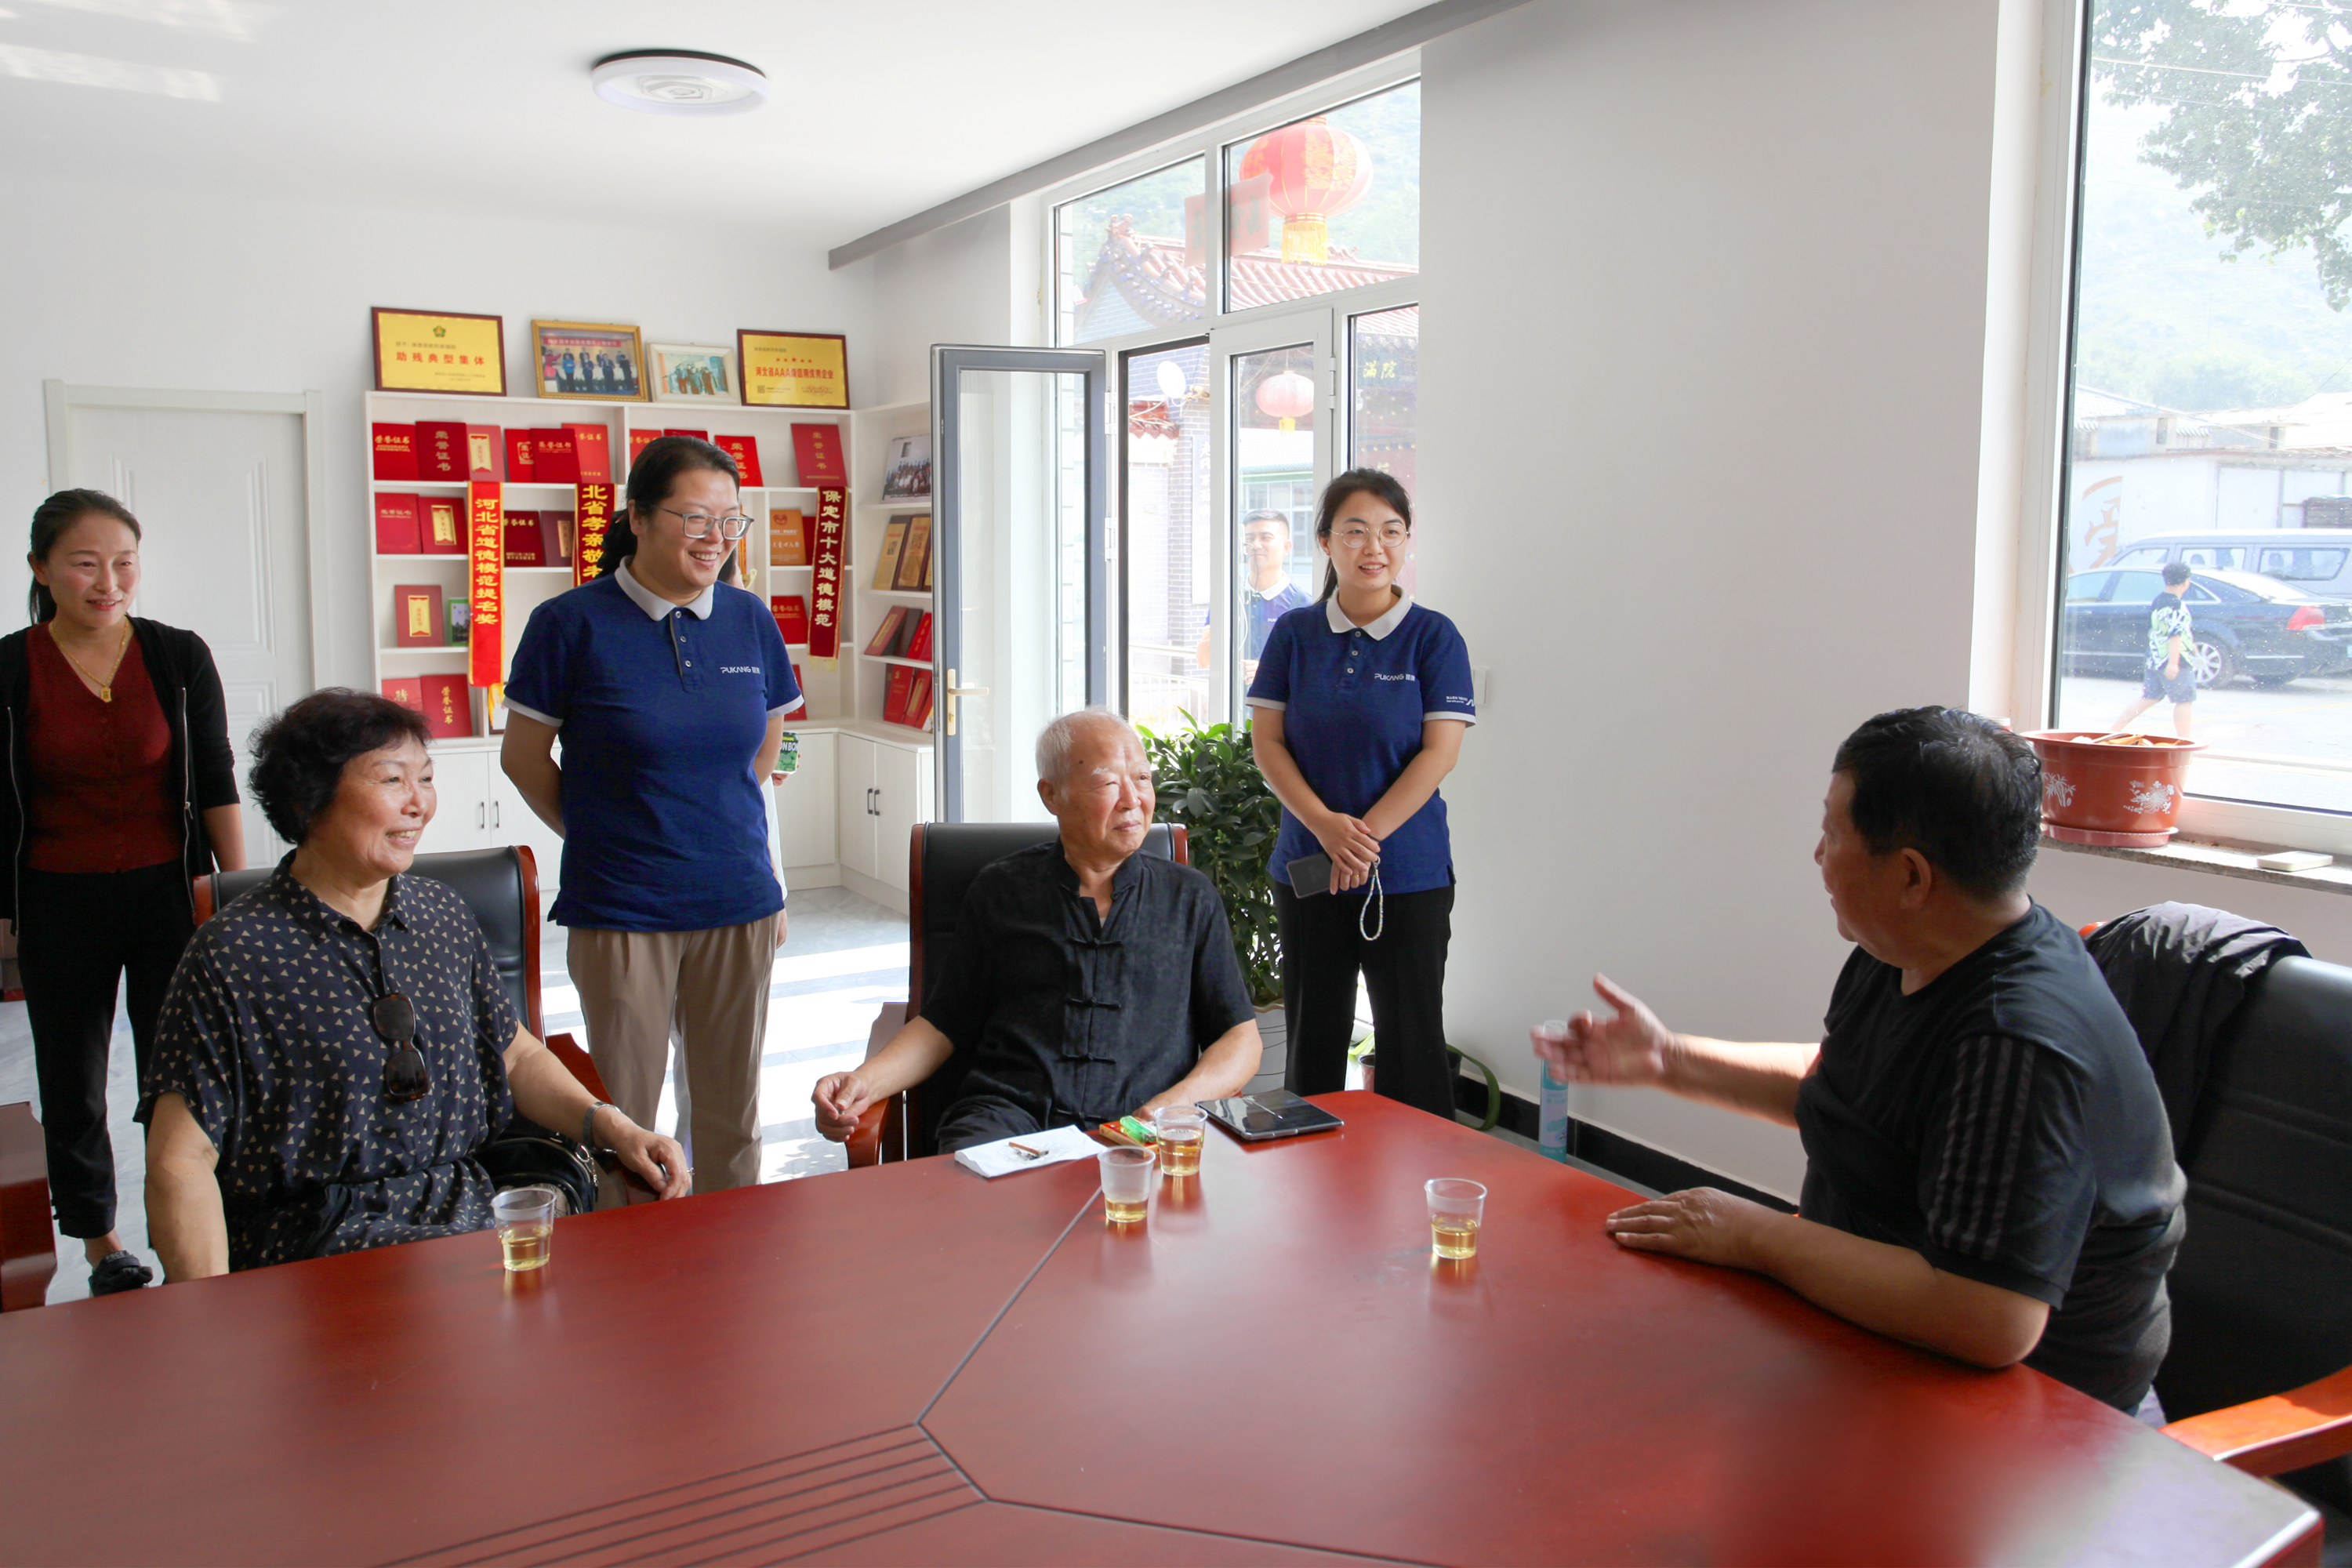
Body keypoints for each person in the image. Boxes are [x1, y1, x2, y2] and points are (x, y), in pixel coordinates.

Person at [1535, 707, 2184, 1414]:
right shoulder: (1914, 945)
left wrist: (1750, 1233)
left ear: (1911, 876)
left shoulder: (2017, 1042)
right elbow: (1849, 1091)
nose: (1819, 854)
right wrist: (1668, 1059)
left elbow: (1989, 1319)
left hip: (2031, 1415)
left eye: (1834, 832)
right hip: (1869, 1337)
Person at [140, 691, 688, 1279]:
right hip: (313, 1251)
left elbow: (515, 1054)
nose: (418, 804)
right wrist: (208, 1310)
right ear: (308, 799)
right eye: (391, 780)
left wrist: (614, 1125)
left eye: (425, 778)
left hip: (467, 1223)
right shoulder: (234, 953)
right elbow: (180, 1159)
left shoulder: (441, 915)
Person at [501, 436, 802, 1200]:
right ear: (637, 516)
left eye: (731, 520)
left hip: (738, 900)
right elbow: (524, 758)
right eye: (695, 517)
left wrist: (759, 868)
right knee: (625, 1119)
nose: (716, 537)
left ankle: (730, 1249)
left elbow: (763, 752)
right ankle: (630, 1260)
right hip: (622, 906)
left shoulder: (750, 620)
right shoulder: (569, 623)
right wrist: (606, 830)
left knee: (733, 1113)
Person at [810, 709, 1261, 1152]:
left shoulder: (1189, 898)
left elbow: (1240, 1037)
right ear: (1052, 795)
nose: (1132, 799)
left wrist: (1173, 1106)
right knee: (973, 1191)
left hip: (1140, 1130)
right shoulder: (1002, 889)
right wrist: (863, 1082)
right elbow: (944, 1023)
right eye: (1108, 783)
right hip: (1008, 1120)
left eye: (1142, 778)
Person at [0, 489, 246, 1297]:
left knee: (177, 1075)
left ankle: (183, 1229)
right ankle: (101, 1242)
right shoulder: (10, 666)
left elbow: (216, 777)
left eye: (124, 563)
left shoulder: (175, 655)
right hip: (54, 898)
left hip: (167, 895)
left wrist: (233, 894)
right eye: (85, 563)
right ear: (41, 569)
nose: (108, 582)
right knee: (71, 1078)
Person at [1247, 470, 1475, 1122]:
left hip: (1407, 875)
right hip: (1308, 867)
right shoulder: (1294, 633)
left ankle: (1420, 1175)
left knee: (1412, 1045)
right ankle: (1310, 1173)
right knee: (1313, 1037)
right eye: (1355, 532)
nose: (1375, 547)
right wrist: (1325, 826)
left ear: (1406, 541)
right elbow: (1269, 744)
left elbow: (1439, 754)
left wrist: (1360, 839)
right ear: (1325, 542)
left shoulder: (1434, 637)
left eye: (1391, 532)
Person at [1195, 510, 1310, 673]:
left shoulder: (1304, 603)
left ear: (1286, 547)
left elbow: (1312, 669)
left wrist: (1266, 672)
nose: (1255, 545)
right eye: (1249, 539)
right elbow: (1204, 660)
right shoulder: (1229, 598)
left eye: (1265, 538)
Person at [2112, 561, 2196, 739]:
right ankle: (2185, 739)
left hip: (2155, 658)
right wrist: (2173, 663)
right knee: (2184, 700)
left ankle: (2114, 729)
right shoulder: (2177, 606)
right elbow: (2175, 634)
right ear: (2186, 582)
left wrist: (2191, 644)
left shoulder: (2158, 601)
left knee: (2149, 697)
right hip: (2175, 659)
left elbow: (2162, 631)